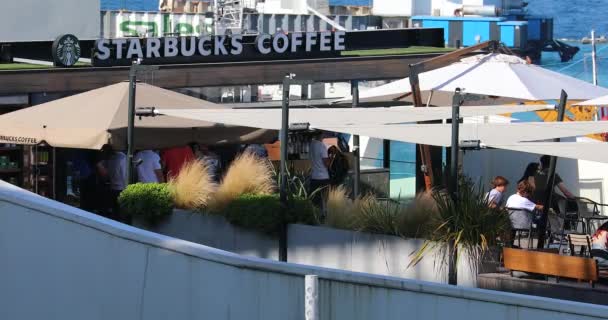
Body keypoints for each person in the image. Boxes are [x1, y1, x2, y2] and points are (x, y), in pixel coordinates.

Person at [506, 180, 544, 246]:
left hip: (512, 223)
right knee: (542, 221)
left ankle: (510, 244)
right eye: (529, 193)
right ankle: (542, 243)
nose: (529, 195)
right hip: (525, 225)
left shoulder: (511, 197)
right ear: (526, 192)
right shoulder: (524, 200)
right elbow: (538, 207)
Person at [96, 145, 127, 221]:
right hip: (118, 187)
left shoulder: (118, 158)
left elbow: (123, 174)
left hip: (116, 188)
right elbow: (124, 174)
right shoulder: (117, 158)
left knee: (117, 212)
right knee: (119, 212)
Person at [309, 131, 330, 209]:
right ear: (321, 135)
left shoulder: (311, 145)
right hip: (323, 178)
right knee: (324, 201)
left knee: (314, 201)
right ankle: (322, 217)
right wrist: (330, 159)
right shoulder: (322, 146)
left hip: (313, 177)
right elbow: (326, 163)